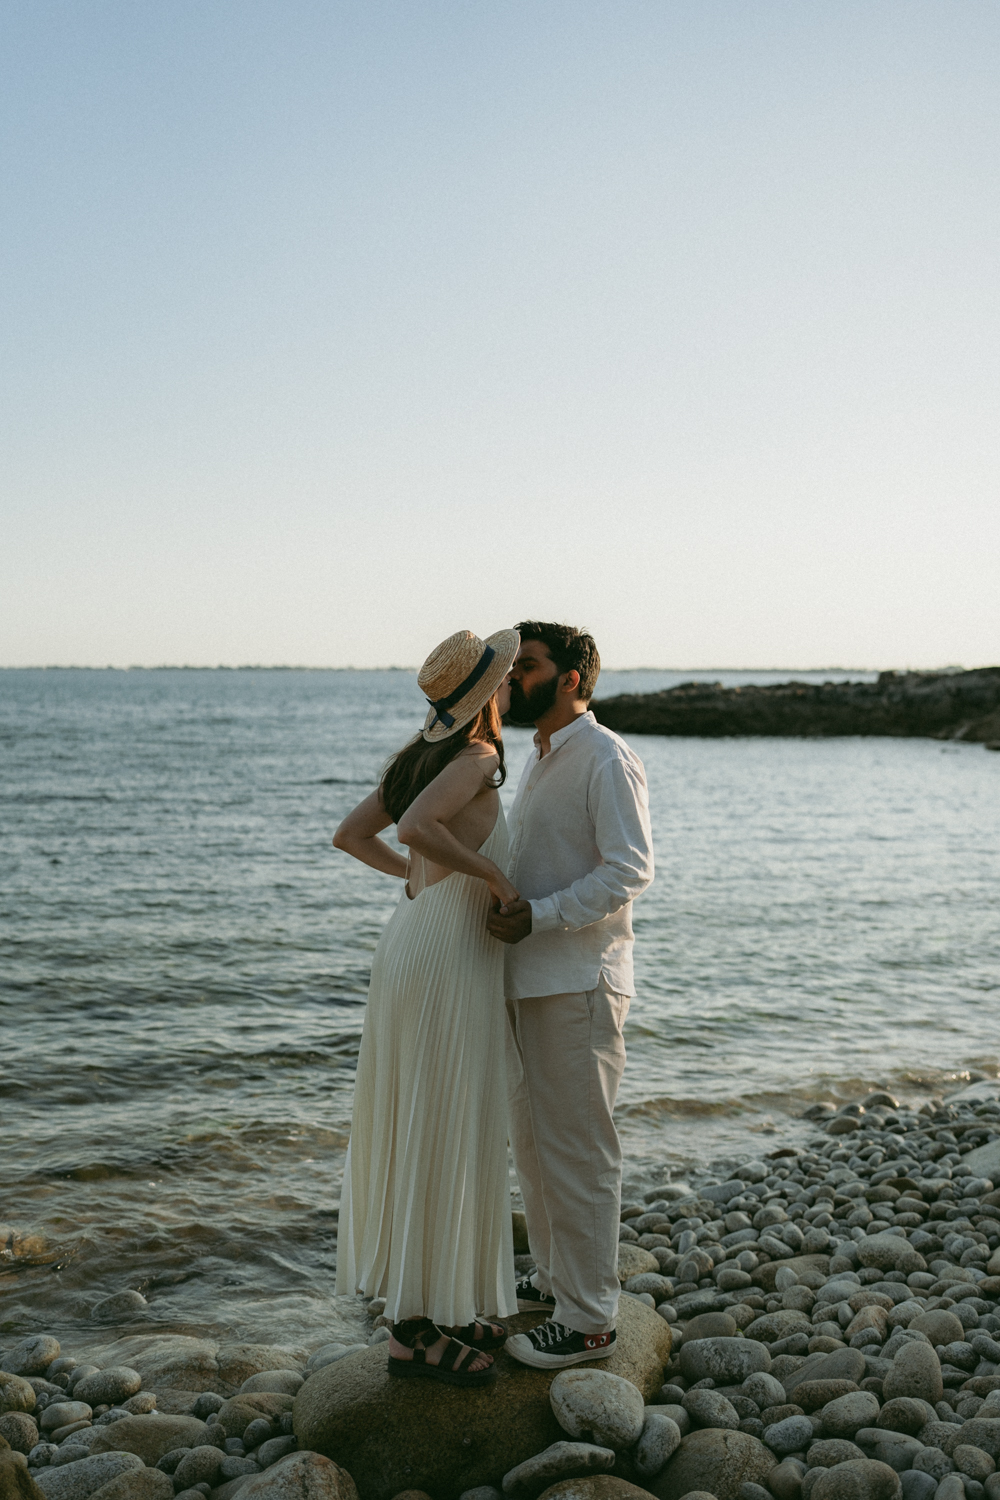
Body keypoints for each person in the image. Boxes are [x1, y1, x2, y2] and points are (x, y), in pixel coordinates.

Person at [333, 628, 521, 1387]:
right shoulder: (474, 756)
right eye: (505, 678)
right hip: (443, 956)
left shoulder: (418, 758)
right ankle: (411, 1332)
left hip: (416, 940)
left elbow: (353, 836)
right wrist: (492, 878)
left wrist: (417, 883)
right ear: (488, 693)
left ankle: (441, 1304)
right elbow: (414, 830)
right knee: (440, 1123)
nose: (511, 687)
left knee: (431, 1121)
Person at [487, 621, 654, 1370]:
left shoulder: (606, 756)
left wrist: (541, 915)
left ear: (572, 677)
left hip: (579, 981)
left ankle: (590, 1323)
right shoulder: (538, 755)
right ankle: (557, 1280)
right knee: (533, 1144)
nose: (512, 680)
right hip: (527, 979)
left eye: (526, 666)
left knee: (579, 1152)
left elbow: (630, 869)